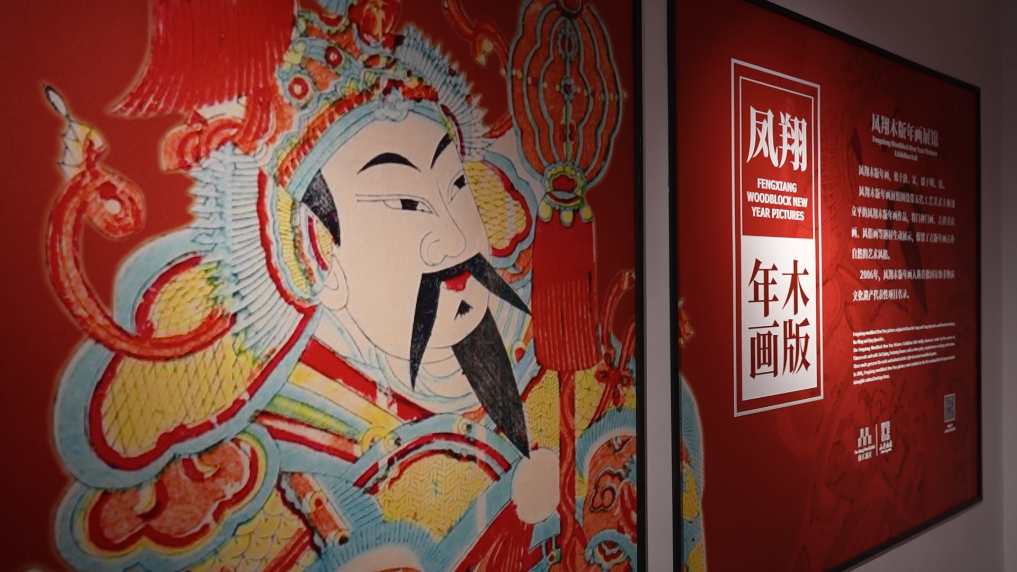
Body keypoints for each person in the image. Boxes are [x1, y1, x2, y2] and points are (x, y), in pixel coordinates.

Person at [46, 1, 637, 570]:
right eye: (406, 203)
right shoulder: (285, 456)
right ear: (313, 249)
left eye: (454, 185)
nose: (457, 239)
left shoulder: (537, 351)